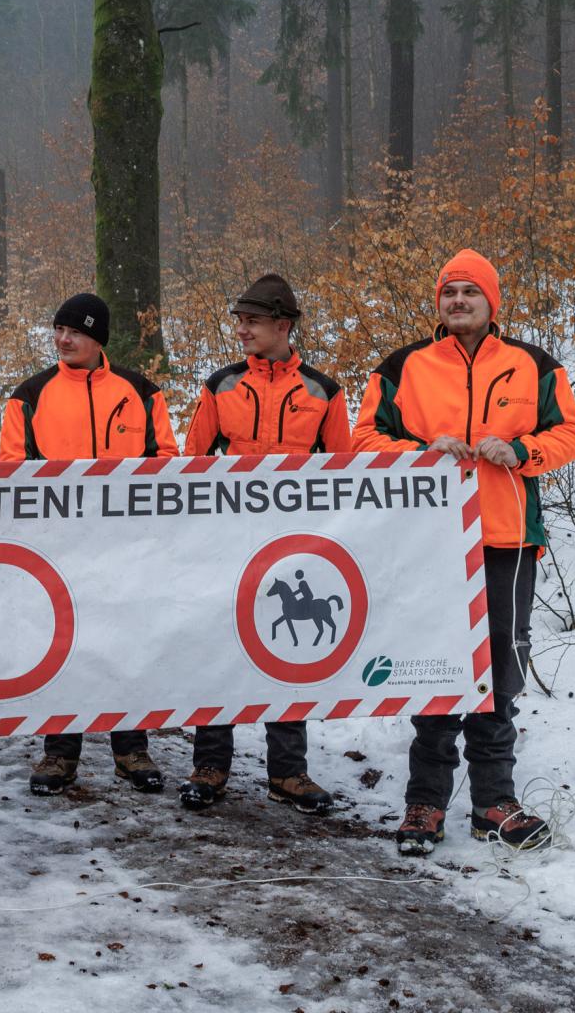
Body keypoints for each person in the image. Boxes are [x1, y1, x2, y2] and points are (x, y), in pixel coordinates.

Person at [350, 249, 575, 855]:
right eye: (449, 292)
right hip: (428, 541)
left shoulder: (532, 365)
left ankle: (494, 803)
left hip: (507, 538)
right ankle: (424, 802)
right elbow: (364, 437)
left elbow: (573, 433)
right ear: (439, 302)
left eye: (470, 292)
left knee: (500, 673)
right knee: (434, 668)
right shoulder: (403, 366)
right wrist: (423, 449)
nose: (458, 301)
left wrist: (525, 451)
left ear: (492, 302)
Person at [178, 273, 350, 816]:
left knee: (290, 651)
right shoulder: (220, 384)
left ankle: (289, 773)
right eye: (240, 321)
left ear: (284, 325)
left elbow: (346, 474)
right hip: (228, 541)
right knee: (219, 644)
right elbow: (191, 466)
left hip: (296, 544)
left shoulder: (324, 391)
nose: (242, 330)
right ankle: (210, 765)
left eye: (252, 321)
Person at [0, 292, 178, 796]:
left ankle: (131, 749)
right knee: (64, 645)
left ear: (97, 337)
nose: (63, 339)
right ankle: (59, 753)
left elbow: (165, 460)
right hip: (59, 548)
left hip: (126, 548)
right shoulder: (29, 395)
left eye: (74, 331)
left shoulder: (141, 392)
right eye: (58, 330)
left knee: (126, 645)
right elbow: (12, 468)